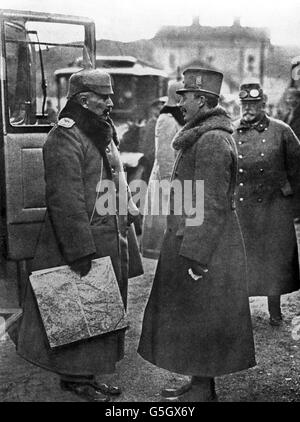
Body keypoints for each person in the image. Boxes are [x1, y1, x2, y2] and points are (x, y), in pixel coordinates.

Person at [15, 69, 143, 402]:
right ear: (84, 100)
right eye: (104, 97)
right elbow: (65, 199)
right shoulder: (65, 136)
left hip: (106, 235)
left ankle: (87, 375)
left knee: (99, 312)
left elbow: (117, 175)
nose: (111, 102)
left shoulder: (101, 130)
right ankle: (74, 378)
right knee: (77, 309)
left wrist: (128, 207)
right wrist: (79, 249)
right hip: (80, 239)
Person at [138, 68, 256, 402]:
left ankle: (203, 391)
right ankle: (198, 381)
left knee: (202, 316)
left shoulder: (212, 141)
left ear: (202, 100)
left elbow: (212, 204)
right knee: (193, 316)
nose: (181, 104)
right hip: (191, 240)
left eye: (185, 97)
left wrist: (197, 256)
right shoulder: (202, 136)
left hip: (205, 247)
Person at [234, 82, 300, 326]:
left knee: (274, 260)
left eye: (253, 104)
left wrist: (293, 204)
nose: (248, 109)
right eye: (245, 105)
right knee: (242, 259)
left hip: (274, 208)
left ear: (263, 105)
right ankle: (240, 310)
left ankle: (275, 310)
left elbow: (297, 168)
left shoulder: (281, 131)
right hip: (242, 206)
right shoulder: (231, 132)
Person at [142, 80, 185, 259]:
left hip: (178, 179)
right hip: (166, 181)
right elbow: (165, 155)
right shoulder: (166, 119)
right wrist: (169, 185)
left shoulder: (177, 117)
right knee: (164, 224)